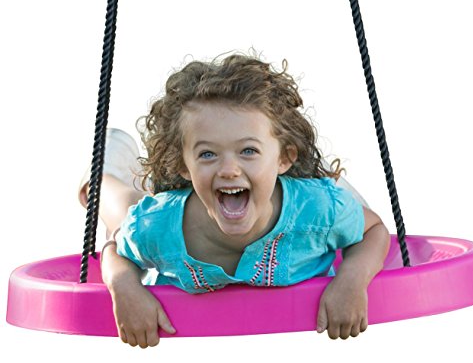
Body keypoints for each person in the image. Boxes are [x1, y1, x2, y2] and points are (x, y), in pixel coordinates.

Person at [79, 51, 390, 348]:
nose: (229, 169)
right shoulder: (157, 226)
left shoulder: (319, 211)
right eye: (207, 154)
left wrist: (352, 279)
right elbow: (117, 250)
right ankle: (110, 154)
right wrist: (123, 286)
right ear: (183, 165)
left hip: (307, 196)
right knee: (121, 208)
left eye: (248, 150)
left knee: (332, 195)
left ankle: (306, 173)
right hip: (175, 208)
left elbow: (374, 230)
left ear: (284, 158)